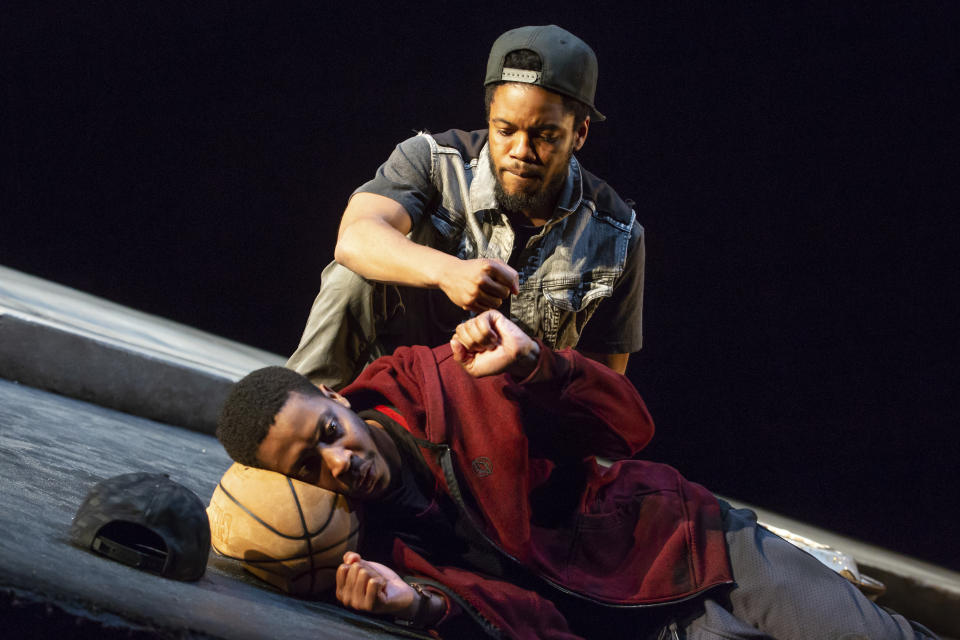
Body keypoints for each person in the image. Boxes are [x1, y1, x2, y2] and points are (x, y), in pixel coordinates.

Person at [217, 311, 937, 639]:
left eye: (327, 435)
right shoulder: (377, 548)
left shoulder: (450, 377)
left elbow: (631, 428)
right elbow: (538, 624)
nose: (338, 464)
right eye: (310, 466)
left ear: (337, 397)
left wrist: (540, 365)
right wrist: (425, 611)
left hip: (688, 546)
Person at [286, 25, 645, 390]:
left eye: (545, 136)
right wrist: (448, 272)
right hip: (394, 394)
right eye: (505, 131)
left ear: (580, 133)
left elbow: (605, 391)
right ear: (489, 118)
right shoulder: (432, 161)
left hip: (504, 426)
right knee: (356, 273)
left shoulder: (616, 234)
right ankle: (296, 418)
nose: (521, 150)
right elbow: (355, 238)